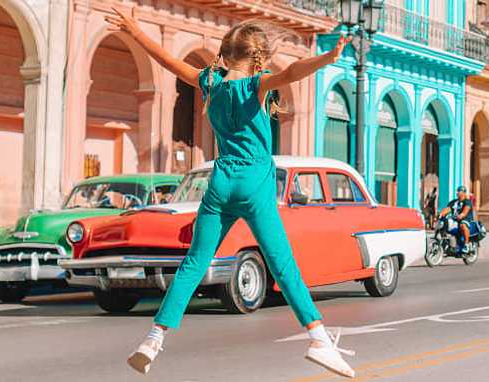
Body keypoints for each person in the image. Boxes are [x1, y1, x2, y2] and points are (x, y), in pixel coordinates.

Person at [105, 8, 356, 377]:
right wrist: (329, 58)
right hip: (254, 183)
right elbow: (292, 73)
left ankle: (153, 339)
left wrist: (135, 28)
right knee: (282, 265)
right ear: (257, 60)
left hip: (220, 181)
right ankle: (318, 339)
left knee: (193, 264)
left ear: (224, 54)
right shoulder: (256, 84)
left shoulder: (211, 82)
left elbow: (170, 61)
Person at [438, 186, 475, 254]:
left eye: (459, 191)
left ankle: (466, 245)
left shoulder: (467, 202)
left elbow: (465, 211)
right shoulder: (454, 202)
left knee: (463, 225)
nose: (457, 193)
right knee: (444, 225)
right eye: (457, 191)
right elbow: (448, 209)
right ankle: (446, 243)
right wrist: (441, 213)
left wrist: (461, 215)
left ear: (464, 193)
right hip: (455, 220)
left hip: (466, 219)